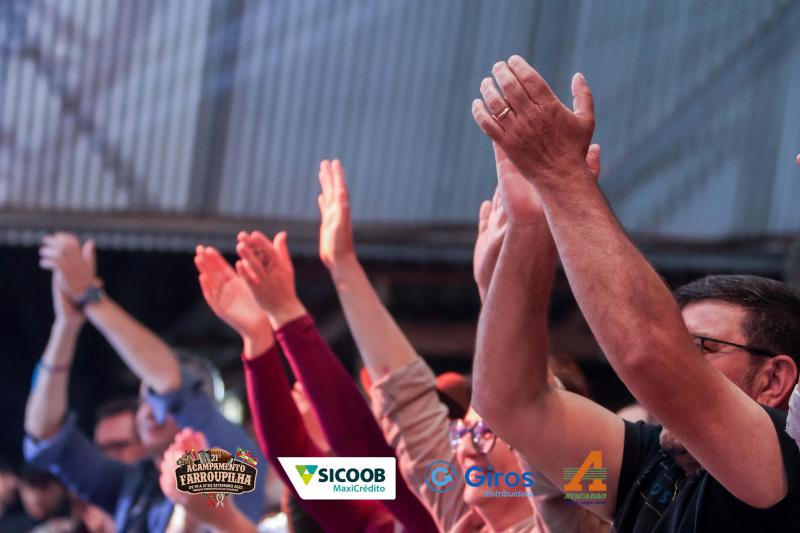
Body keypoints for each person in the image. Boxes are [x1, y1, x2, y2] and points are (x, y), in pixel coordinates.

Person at [470, 55, 800, 531]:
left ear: (773, 380)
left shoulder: (780, 471)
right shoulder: (645, 474)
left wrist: (561, 176)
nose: (677, 360)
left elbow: (645, 350)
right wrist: (530, 225)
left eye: (699, 347)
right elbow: (512, 406)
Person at [314, 159, 609, 532]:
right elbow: (407, 398)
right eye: (462, 431)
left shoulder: (578, 520)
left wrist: (499, 288)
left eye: (486, 434)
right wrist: (342, 266)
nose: (466, 447)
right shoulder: (465, 516)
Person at [194, 234, 437, 532]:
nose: (469, 446)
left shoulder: (441, 501)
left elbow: (358, 443)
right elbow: (303, 465)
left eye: (476, 431)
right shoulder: (387, 492)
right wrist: (260, 335)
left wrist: (285, 315)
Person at [24, 233, 266, 531]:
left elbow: (172, 384)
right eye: (142, 402)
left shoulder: (233, 454)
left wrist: (92, 298)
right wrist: (66, 326)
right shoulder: (135, 483)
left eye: (158, 401)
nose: (148, 413)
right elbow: (46, 435)